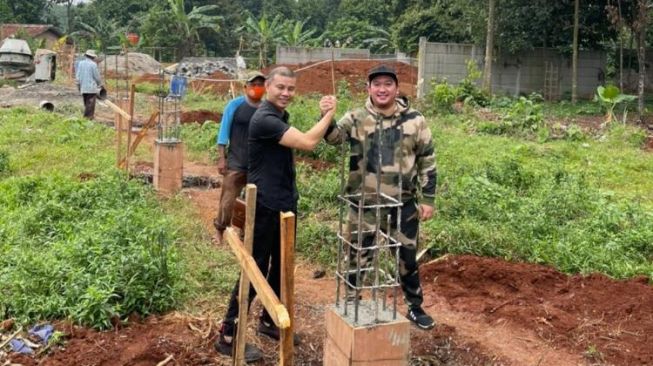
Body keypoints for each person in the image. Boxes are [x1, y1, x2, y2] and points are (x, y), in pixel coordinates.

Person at [215, 66, 337, 362]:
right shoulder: (265, 118)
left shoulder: (280, 116)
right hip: (266, 204)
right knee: (254, 268)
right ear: (268, 87)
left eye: (291, 89)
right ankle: (227, 333)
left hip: (284, 202)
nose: (285, 93)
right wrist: (329, 115)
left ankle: (269, 321)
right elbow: (308, 142)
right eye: (280, 87)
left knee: (281, 266)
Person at [324, 64, 437, 330]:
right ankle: (350, 302)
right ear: (369, 88)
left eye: (388, 84)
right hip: (363, 205)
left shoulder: (415, 120)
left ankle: (414, 307)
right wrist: (327, 115)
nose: (382, 89)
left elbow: (427, 159)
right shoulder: (355, 117)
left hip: (402, 205)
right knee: (356, 254)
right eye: (377, 84)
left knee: (407, 257)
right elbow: (332, 139)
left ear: (397, 88)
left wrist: (428, 199)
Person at [213, 71, 266, 243]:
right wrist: (222, 158)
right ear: (245, 87)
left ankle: (245, 233)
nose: (257, 88)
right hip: (236, 162)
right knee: (227, 201)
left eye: (260, 85)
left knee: (253, 202)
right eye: (253, 84)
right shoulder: (234, 105)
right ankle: (220, 231)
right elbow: (223, 133)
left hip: (257, 165)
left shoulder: (266, 109)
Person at [75, 50, 103, 120]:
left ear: (86, 56)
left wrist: (78, 85)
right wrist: (100, 84)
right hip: (91, 88)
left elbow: (78, 75)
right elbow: (97, 76)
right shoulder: (93, 64)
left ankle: (87, 118)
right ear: (92, 57)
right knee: (90, 104)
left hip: (83, 87)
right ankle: (88, 118)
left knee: (86, 103)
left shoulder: (80, 63)